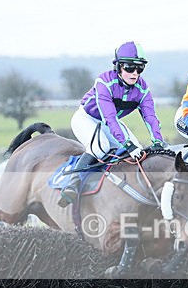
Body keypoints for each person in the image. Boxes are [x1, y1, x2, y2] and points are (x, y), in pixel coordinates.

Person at [59, 41, 166, 207]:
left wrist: (158, 141)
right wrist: (127, 144)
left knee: (137, 152)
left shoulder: (143, 89)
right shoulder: (104, 81)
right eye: (130, 68)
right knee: (101, 148)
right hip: (87, 118)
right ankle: (72, 183)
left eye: (140, 68)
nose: (135, 73)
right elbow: (109, 117)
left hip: (110, 122)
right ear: (118, 66)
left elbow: (150, 117)